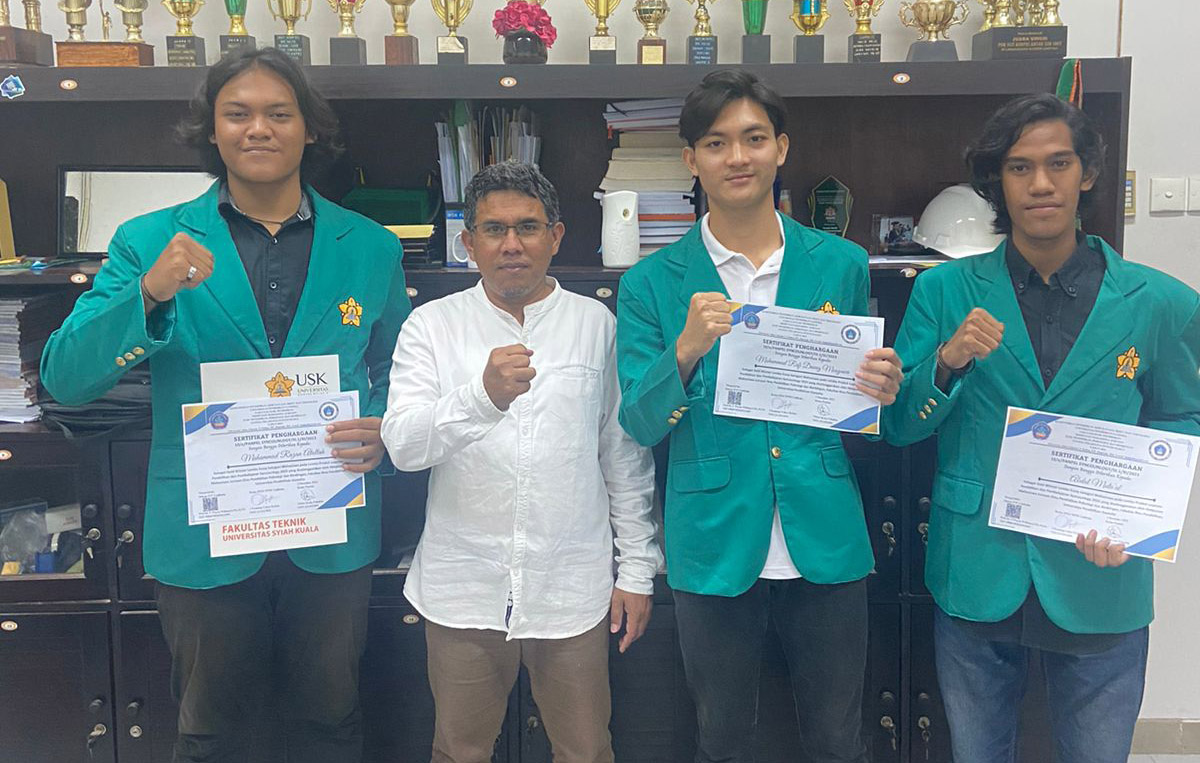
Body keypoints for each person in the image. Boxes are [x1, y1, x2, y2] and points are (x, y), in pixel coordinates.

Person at [40, 47, 410, 763]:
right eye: (237, 113)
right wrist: (150, 292)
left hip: (329, 524)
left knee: (331, 722)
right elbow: (67, 377)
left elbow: (400, 365)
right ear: (212, 130)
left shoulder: (370, 246)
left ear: (309, 129)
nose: (258, 128)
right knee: (211, 733)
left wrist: (385, 428)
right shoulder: (149, 241)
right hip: (204, 533)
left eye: (279, 113)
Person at [882, 93, 1200, 763]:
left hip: (1100, 574)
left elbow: (1180, 418)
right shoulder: (944, 292)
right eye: (1020, 167)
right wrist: (946, 362)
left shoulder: (1162, 303)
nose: (1041, 184)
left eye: (1059, 163)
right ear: (997, 182)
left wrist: (1138, 520)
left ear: (1088, 173)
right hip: (977, 564)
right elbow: (899, 425)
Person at [615, 69, 904, 763]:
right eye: (717, 143)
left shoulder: (840, 262)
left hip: (825, 533)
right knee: (722, 739)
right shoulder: (650, 282)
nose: (737, 157)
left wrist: (882, 387)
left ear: (781, 148)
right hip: (713, 538)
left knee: (838, 738)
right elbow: (640, 421)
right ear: (692, 160)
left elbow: (855, 405)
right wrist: (685, 349)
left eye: (753, 138)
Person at [380, 162, 661, 763]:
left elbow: (624, 457)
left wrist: (637, 570)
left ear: (555, 237)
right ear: (468, 241)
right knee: (459, 751)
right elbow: (403, 446)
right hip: (463, 587)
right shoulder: (431, 326)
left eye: (528, 227)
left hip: (571, 586)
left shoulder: (595, 324)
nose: (512, 244)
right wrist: (481, 397)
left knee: (586, 751)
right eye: (494, 229)